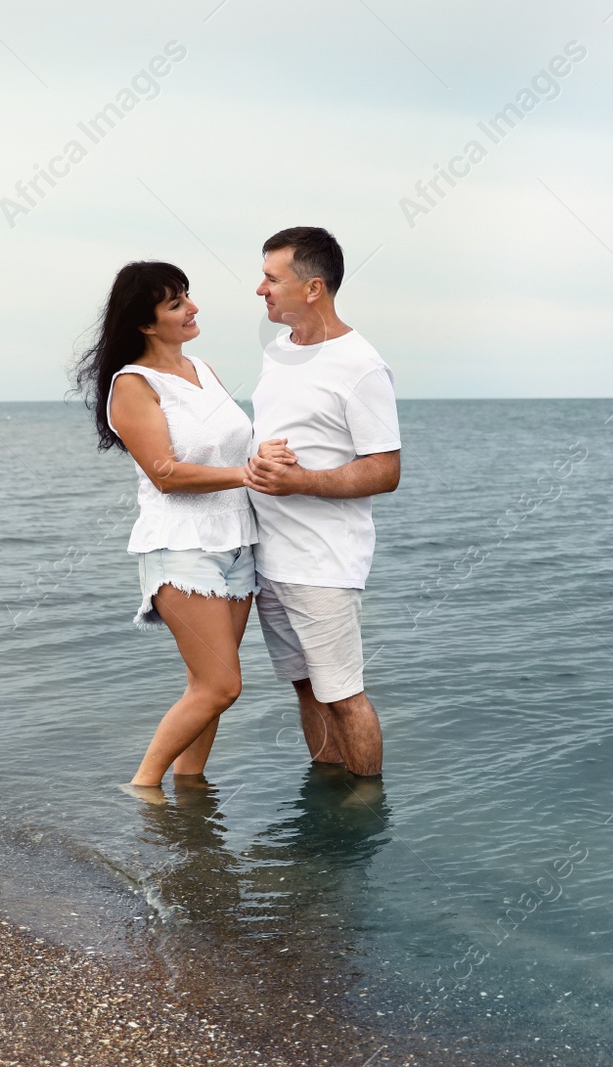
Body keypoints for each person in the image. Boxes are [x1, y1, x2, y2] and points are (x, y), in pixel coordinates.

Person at [73, 261, 258, 801]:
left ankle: (191, 790)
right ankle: (143, 787)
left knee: (209, 689)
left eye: (187, 297)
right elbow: (166, 473)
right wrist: (247, 473)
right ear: (146, 324)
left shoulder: (203, 369)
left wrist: (266, 458)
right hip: (180, 546)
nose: (192, 308)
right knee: (222, 684)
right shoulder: (133, 384)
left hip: (239, 543)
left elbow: (234, 448)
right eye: (176, 303)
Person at [244, 227, 400, 777]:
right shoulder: (275, 353)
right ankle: (329, 797)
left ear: (312, 288)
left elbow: (386, 469)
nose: (260, 289)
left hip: (325, 562)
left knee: (343, 694)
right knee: (307, 689)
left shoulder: (361, 365)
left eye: (271, 278)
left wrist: (301, 481)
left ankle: (365, 817)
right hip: (270, 558)